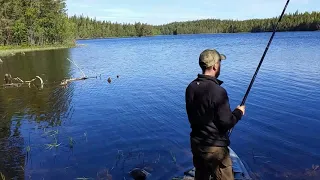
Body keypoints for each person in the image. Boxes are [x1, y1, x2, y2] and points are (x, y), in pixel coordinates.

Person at [185, 49, 245, 180]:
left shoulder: (191, 87)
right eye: (219, 63)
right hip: (215, 148)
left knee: (201, 176)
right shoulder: (218, 91)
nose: (220, 66)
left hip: (196, 144)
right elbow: (227, 122)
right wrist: (239, 113)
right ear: (215, 66)